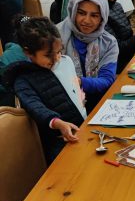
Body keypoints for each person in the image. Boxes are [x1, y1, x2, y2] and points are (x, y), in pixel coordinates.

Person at [4, 16, 86, 165]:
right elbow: (35, 107)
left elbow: (75, 90)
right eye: (48, 55)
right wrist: (57, 122)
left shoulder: (65, 62)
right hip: (56, 143)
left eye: (58, 51)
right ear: (28, 52)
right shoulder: (23, 80)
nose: (56, 59)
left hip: (81, 130)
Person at [57, 0, 118, 113]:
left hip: (99, 104)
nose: (86, 20)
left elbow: (107, 79)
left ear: (102, 17)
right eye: (81, 13)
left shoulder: (108, 42)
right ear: (73, 11)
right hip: (62, 106)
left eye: (94, 15)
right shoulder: (55, 36)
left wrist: (79, 82)